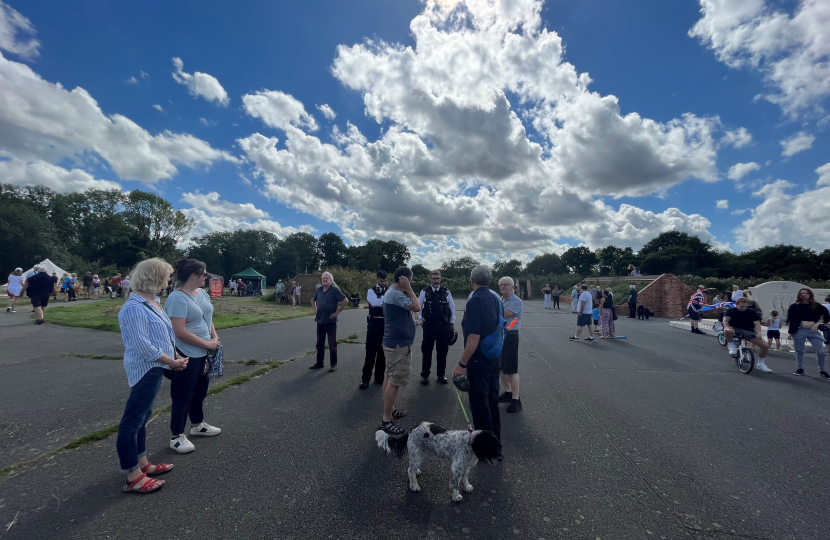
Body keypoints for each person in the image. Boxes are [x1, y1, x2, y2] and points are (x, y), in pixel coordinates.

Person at [116, 258, 188, 494]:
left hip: (157, 367)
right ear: (155, 277)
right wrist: (172, 362)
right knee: (133, 420)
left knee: (143, 416)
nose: (169, 280)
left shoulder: (153, 301)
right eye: (166, 276)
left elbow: (163, 336)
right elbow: (142, 346)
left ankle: (142, 463)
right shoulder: (134, 307)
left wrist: (175, 354)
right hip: (146, 369)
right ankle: (132, 475)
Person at [165, 259, 223, 454]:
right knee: (182, 395)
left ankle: (197, 425)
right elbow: (179, 331)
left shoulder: (203, 293)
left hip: (203, 351)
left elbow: (208, 318)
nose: (206, 277)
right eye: (203, 274)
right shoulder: (177, 298)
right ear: (193, 275)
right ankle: (177, 436)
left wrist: (214, 336)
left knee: (199, 391)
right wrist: (206, 343)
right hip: (185, 354)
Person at [452, 265, 503, 445]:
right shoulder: (495, 298)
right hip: (494, 356)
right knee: (492, 399)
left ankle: (484, 446)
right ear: (490, 280)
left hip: (478, 358)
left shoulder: (475, 300)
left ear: (472, 280)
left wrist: (462, 364)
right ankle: (495, 441)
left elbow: (474, 337)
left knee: (479, 403)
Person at [380, 267, 421, 435]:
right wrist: (410, 289)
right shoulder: (396, 294)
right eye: (409, 280)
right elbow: (417, 306)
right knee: (395, 381)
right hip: (398, 345)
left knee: (389, 377)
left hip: (393, 343)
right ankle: (387, 419)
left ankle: (391, 409)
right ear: (405, 279)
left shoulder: (392, 292)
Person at [417, 270, 456, 385]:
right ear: (430, 279)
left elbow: (452, 307)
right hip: (429, 325)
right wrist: (420, 318)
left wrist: (451, 323)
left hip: (443, 326)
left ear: (441, 278)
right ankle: (425, 375)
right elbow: (418, 306)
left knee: (442, 352)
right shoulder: (425, 291)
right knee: (427, 351)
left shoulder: (446, 292)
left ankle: (441, 375)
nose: (436, 280)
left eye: (438, 278)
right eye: (434, 278)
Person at [786, 288, 829, 379]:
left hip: (813, 331)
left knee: (821, 351)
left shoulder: (816, 305)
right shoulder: (794, 306)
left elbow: (824, 316)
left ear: (810, 294)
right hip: (799, 330)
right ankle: (800, 368)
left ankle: (822, 370)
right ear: (799, 295)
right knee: (800, 351)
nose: (804, 294)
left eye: (806, 293)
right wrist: (790, 332)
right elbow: (791, 320)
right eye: (802, 293)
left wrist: (817, 324)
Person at [310, 272, 348, 372]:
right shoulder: (319, 290)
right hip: (320, 320)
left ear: (331, 280)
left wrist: (337, 312)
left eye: (327, 278)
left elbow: (345, 300)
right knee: (319, 343)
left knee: (332, 344)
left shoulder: (334, 290)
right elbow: (312, 300)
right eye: (323, 278)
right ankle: (319, 362)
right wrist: (315, 310)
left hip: (330, 321)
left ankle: (333, 364)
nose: (325, 280)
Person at [723, 297, 772, 372]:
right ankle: (731, 345)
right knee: (727, 330)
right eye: (741, 306)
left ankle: (760, 364)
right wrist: (726, 327)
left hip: (748, 331)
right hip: (734, 329)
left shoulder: (752, 312)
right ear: (737, 305)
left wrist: (758, 333)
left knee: (765, 346)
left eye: (745, 306)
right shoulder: (731, 311)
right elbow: (725, 320)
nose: (743, 308)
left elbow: (757, 324)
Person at [497, 277, 523, 413]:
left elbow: (504, 314)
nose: (503, 287)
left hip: (510, 335)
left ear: (513, 287)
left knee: (512, 368)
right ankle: (507, 392)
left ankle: (515, 399)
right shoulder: (501, 300)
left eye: (506, 285)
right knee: (501, 366)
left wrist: (491, 311)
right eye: (501, 285)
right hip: (500, 335)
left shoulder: (516, 301)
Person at [361, 271, 388, 389]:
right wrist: (387, 300)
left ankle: (379, 378)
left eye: (385, 281)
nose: (384, 283)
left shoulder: (390, 290)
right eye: (381, 281)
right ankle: (365, 379)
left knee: (383, 353)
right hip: (374, 323)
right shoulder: (371, 290)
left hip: (386, 324)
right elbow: (375, 302)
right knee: (370, 352)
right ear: (377, 280)